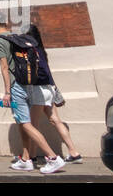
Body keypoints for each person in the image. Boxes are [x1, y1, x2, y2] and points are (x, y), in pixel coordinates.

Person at [0, 15, 65, 174]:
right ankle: (26, 160)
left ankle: (53, 158)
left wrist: (6, 92)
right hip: (30, 85)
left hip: (16, 87)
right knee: (23, 122)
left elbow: (4, 68)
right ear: (6, 22)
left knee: (25, 123)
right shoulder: (17, 37)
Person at [25, 22, 82, 163]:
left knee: (32, 125)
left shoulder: (30, 51)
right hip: (50, 88)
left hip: (38, 89)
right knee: (55, 120)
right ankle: (74, 153)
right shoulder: (41, 49)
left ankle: (31, 157)